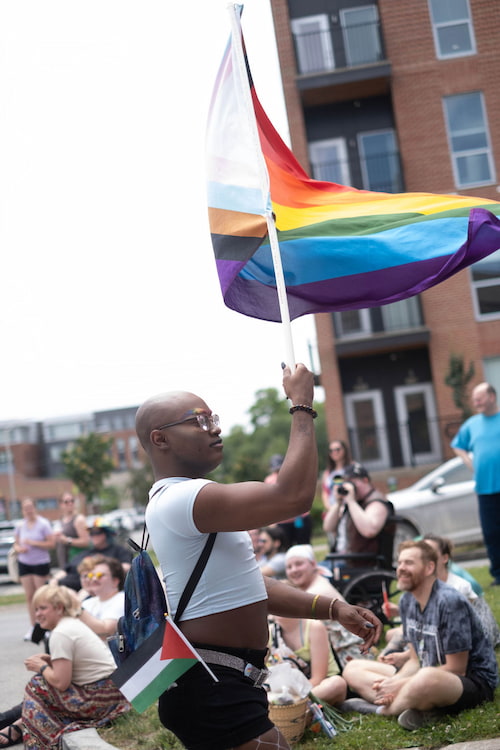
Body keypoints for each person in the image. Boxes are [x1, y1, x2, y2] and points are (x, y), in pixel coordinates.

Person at [134, 363, 382, 750]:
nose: (214, 427)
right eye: (198, 420)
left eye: (212, 417)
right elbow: (293, 496)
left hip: (222, 681)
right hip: (212, 686)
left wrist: (332, 609)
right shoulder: (183, 499)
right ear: (159, 439)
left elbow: (249, 586)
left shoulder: (184, 500)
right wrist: (302, 405)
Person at [341, 541, 498, 730]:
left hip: (471, 682)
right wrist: (395, 682)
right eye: (399, 563)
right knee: (352, 668)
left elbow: (457, 668)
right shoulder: (407, 600)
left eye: (408, 563)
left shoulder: (449, 601)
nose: (401, 569)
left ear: (429, 567)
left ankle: (381, 709)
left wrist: (402, 684)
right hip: (426, 672)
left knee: (426, 678)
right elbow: (416, 660)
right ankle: (419, 706)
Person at [2, 584, 129, 749]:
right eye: (36, 610)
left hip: (102, 698)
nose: (37, 614)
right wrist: (49, 662)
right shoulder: (70, 624)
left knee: (36, 687)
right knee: (41, 682)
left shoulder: (61, 632)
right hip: (112, 693)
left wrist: (41, 667)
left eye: (42, 608)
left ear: (59, 608)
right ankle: (21, 730)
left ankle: (38, 743)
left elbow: (61, 682)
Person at [284, 544, 371, 669]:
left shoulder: (315, 592)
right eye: (289, 567)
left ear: (313, 564)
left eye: (299, 564)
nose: (294, 570)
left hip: (349, 657)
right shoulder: (315, 583)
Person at [452, 381, 500, 586]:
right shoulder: (472, 424)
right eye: (474, 399)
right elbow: (457, 446)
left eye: (479, 398)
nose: (476, 402)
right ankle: (498, 575)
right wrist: (469, 462)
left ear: (492, 397)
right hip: (485, 489)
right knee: (491, 534)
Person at [322, 462, 394, 569]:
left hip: (362, 564)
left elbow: (369, 530)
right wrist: (338, 503)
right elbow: (328, 527)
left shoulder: (377, 502)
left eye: (351, 482)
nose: (348, 486)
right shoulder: (351, 502)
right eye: (345, 482)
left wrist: (351, 502)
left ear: (365, 480)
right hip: (342, 560)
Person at [269, 614, 347, 706]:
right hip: (284, 691)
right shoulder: (269, 632)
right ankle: (289, 706)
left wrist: (292, 695)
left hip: (317, 687)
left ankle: (291, 706)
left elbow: (318, 678)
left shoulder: (314, 627)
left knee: (337, 683)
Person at [53, 517, 132, 591]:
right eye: (91, 533)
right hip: (66, 586)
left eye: (97, 532)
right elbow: (66, 570)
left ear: (106, 533)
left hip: (93, 588)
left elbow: (126, 567)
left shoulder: (118, 551)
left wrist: (101, 566)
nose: (93, 536)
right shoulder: (85, 553)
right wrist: (54, 580)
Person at [14, 498, 55, 641]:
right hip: (24, 562)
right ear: (22, 510)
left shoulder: (43, 524)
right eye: (25, 508)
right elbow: (16, 543)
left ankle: (46, 626)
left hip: (40, 562)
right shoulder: (20, 525)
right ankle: (33, 626)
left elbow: (51, 543)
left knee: (41, 596)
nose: (28, 510)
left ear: (35, 508)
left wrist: (33, 543)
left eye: (30, 507)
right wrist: (19, 548)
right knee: (29, 596)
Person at [265, 454, 311, 546]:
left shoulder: (295, 475)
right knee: (286, 546)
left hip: (299, 517)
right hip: (283, 520)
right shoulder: (269, 480)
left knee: (304, 545)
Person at [79, 556, 126, 640]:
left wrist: (76, 608)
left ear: (115, 581)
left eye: (99, 575)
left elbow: (106, 632)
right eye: (90, 575)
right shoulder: (87, 603)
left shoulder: (122, 599)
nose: (93, 579)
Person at [53, 492, 90, 569]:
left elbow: (86, 542)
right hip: (64, 562)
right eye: (66, 502)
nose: (70, 503)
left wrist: (67, 540)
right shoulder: (61, 519)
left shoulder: (79, 519)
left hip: (77, 562)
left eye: (72, 501)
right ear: (61, 504)